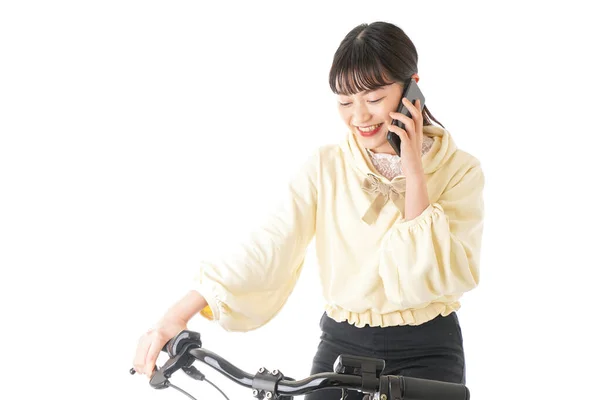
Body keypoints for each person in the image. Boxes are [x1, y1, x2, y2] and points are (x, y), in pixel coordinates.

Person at [132, 21, 485, 400]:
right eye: (346, 102)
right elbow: (269, 243)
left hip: (428, 349)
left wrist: (414, 170)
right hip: (343, 348)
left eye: (374, 98)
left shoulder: (460, 170)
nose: (359, 117)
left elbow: (430, 275)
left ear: (410, 87)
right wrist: (176, 315)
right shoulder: (326, 166)